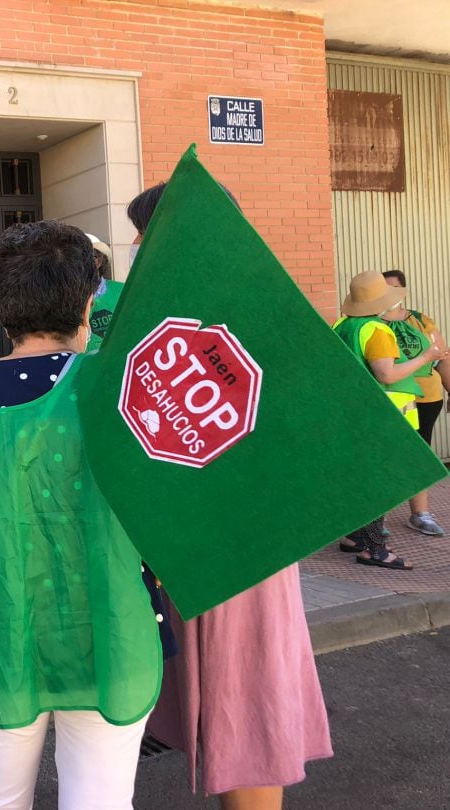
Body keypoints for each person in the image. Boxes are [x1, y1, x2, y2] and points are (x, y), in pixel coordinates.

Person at [0, 221, 161, 810]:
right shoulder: (119, 391)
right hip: (109, 628)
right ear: (90, 299)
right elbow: (166, 511)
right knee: (101, 799)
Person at [129, 183, 334, 810]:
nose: (137, 249)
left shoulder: (258, 317)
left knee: (246, 704)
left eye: (145, 236)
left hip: (241, 548)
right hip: (191, 545)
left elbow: (305, 439)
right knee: (224, 706)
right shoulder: (173, 314)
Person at [332, 271, 448, 567]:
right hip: (382, 415)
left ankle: (354, 536)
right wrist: (427, 356)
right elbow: (386, 374)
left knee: (361, 477)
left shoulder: (343, 324)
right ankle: (375, 550)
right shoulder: (378, 330)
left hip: (352, 411)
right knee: (380, 483)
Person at [381, 269, 447, 536]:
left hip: (426, 397)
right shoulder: (371, 322)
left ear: (404, 291)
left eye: (393, 288)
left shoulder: (420, 320)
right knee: (386, 455)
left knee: (419, 455)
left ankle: (420, 513)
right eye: (383, 288)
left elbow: (442, 355)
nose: (388, 294)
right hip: (392, 396)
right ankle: (376, 520)